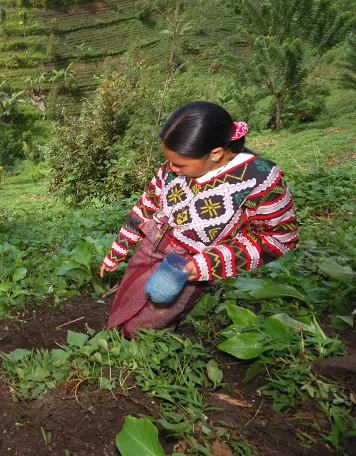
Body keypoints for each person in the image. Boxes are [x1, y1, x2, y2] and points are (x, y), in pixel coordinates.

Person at [100, 101, 299, 339]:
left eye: (180, 164)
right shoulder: (171, 169)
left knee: (147, 325)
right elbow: (146, 205)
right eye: (170, 161)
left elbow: (279, 237)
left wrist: (206, 264)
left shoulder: (260, 179)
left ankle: (138, 348)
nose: (171, 168)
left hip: (190, 266)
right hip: (152, 244)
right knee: (127, 300)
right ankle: (115, 336)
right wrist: (118, 250)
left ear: (215, 153)